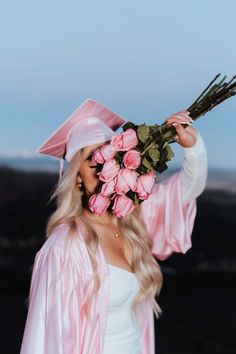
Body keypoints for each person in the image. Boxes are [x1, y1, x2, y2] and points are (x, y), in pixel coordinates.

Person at [20, 98, 207, 354]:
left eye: (108, 155)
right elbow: (50, 341)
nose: (102, 165)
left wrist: (192, 146)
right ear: (77, 178)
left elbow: (186, 191)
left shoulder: (133, 221)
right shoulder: (66, 246)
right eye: (91, 160)